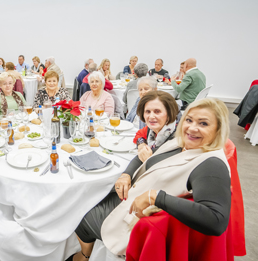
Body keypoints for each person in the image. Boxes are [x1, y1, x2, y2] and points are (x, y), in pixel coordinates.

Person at [70, 98, 231, 260]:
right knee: (89, 196)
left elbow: (216, 220)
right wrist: (127, 174)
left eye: (203, 123)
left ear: (218, 129)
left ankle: (84, 255)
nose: (192, 127)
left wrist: (155, 197)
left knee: (78, 211)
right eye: (189, 120)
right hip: (131, 197)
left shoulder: (211, 164)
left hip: (135, 222)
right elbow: (143, 157)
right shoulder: (180, 142)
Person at [132, 91, 180, 162]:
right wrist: (142, 145)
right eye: (148, 111)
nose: (151, 116)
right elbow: (139, 135)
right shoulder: (151, 130)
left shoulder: (177, 139)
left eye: (157, 111)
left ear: (169, 113)